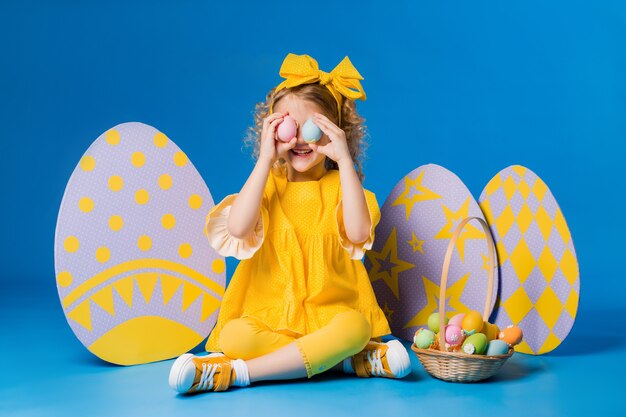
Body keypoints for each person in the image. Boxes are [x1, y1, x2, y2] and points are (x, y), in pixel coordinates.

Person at [169, 53, 411, 394]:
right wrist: (266, 159)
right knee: (234, 333)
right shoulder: (268, 187)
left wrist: (344, 162)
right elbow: (238, 228)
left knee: (354, 327)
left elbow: (358, 233)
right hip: (272, 319)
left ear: (335, 132)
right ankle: (346, 360)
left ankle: (236, 374)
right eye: (288, 128)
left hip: (330, 316)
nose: (299, 139)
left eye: (312, 128)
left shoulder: (344, 189)